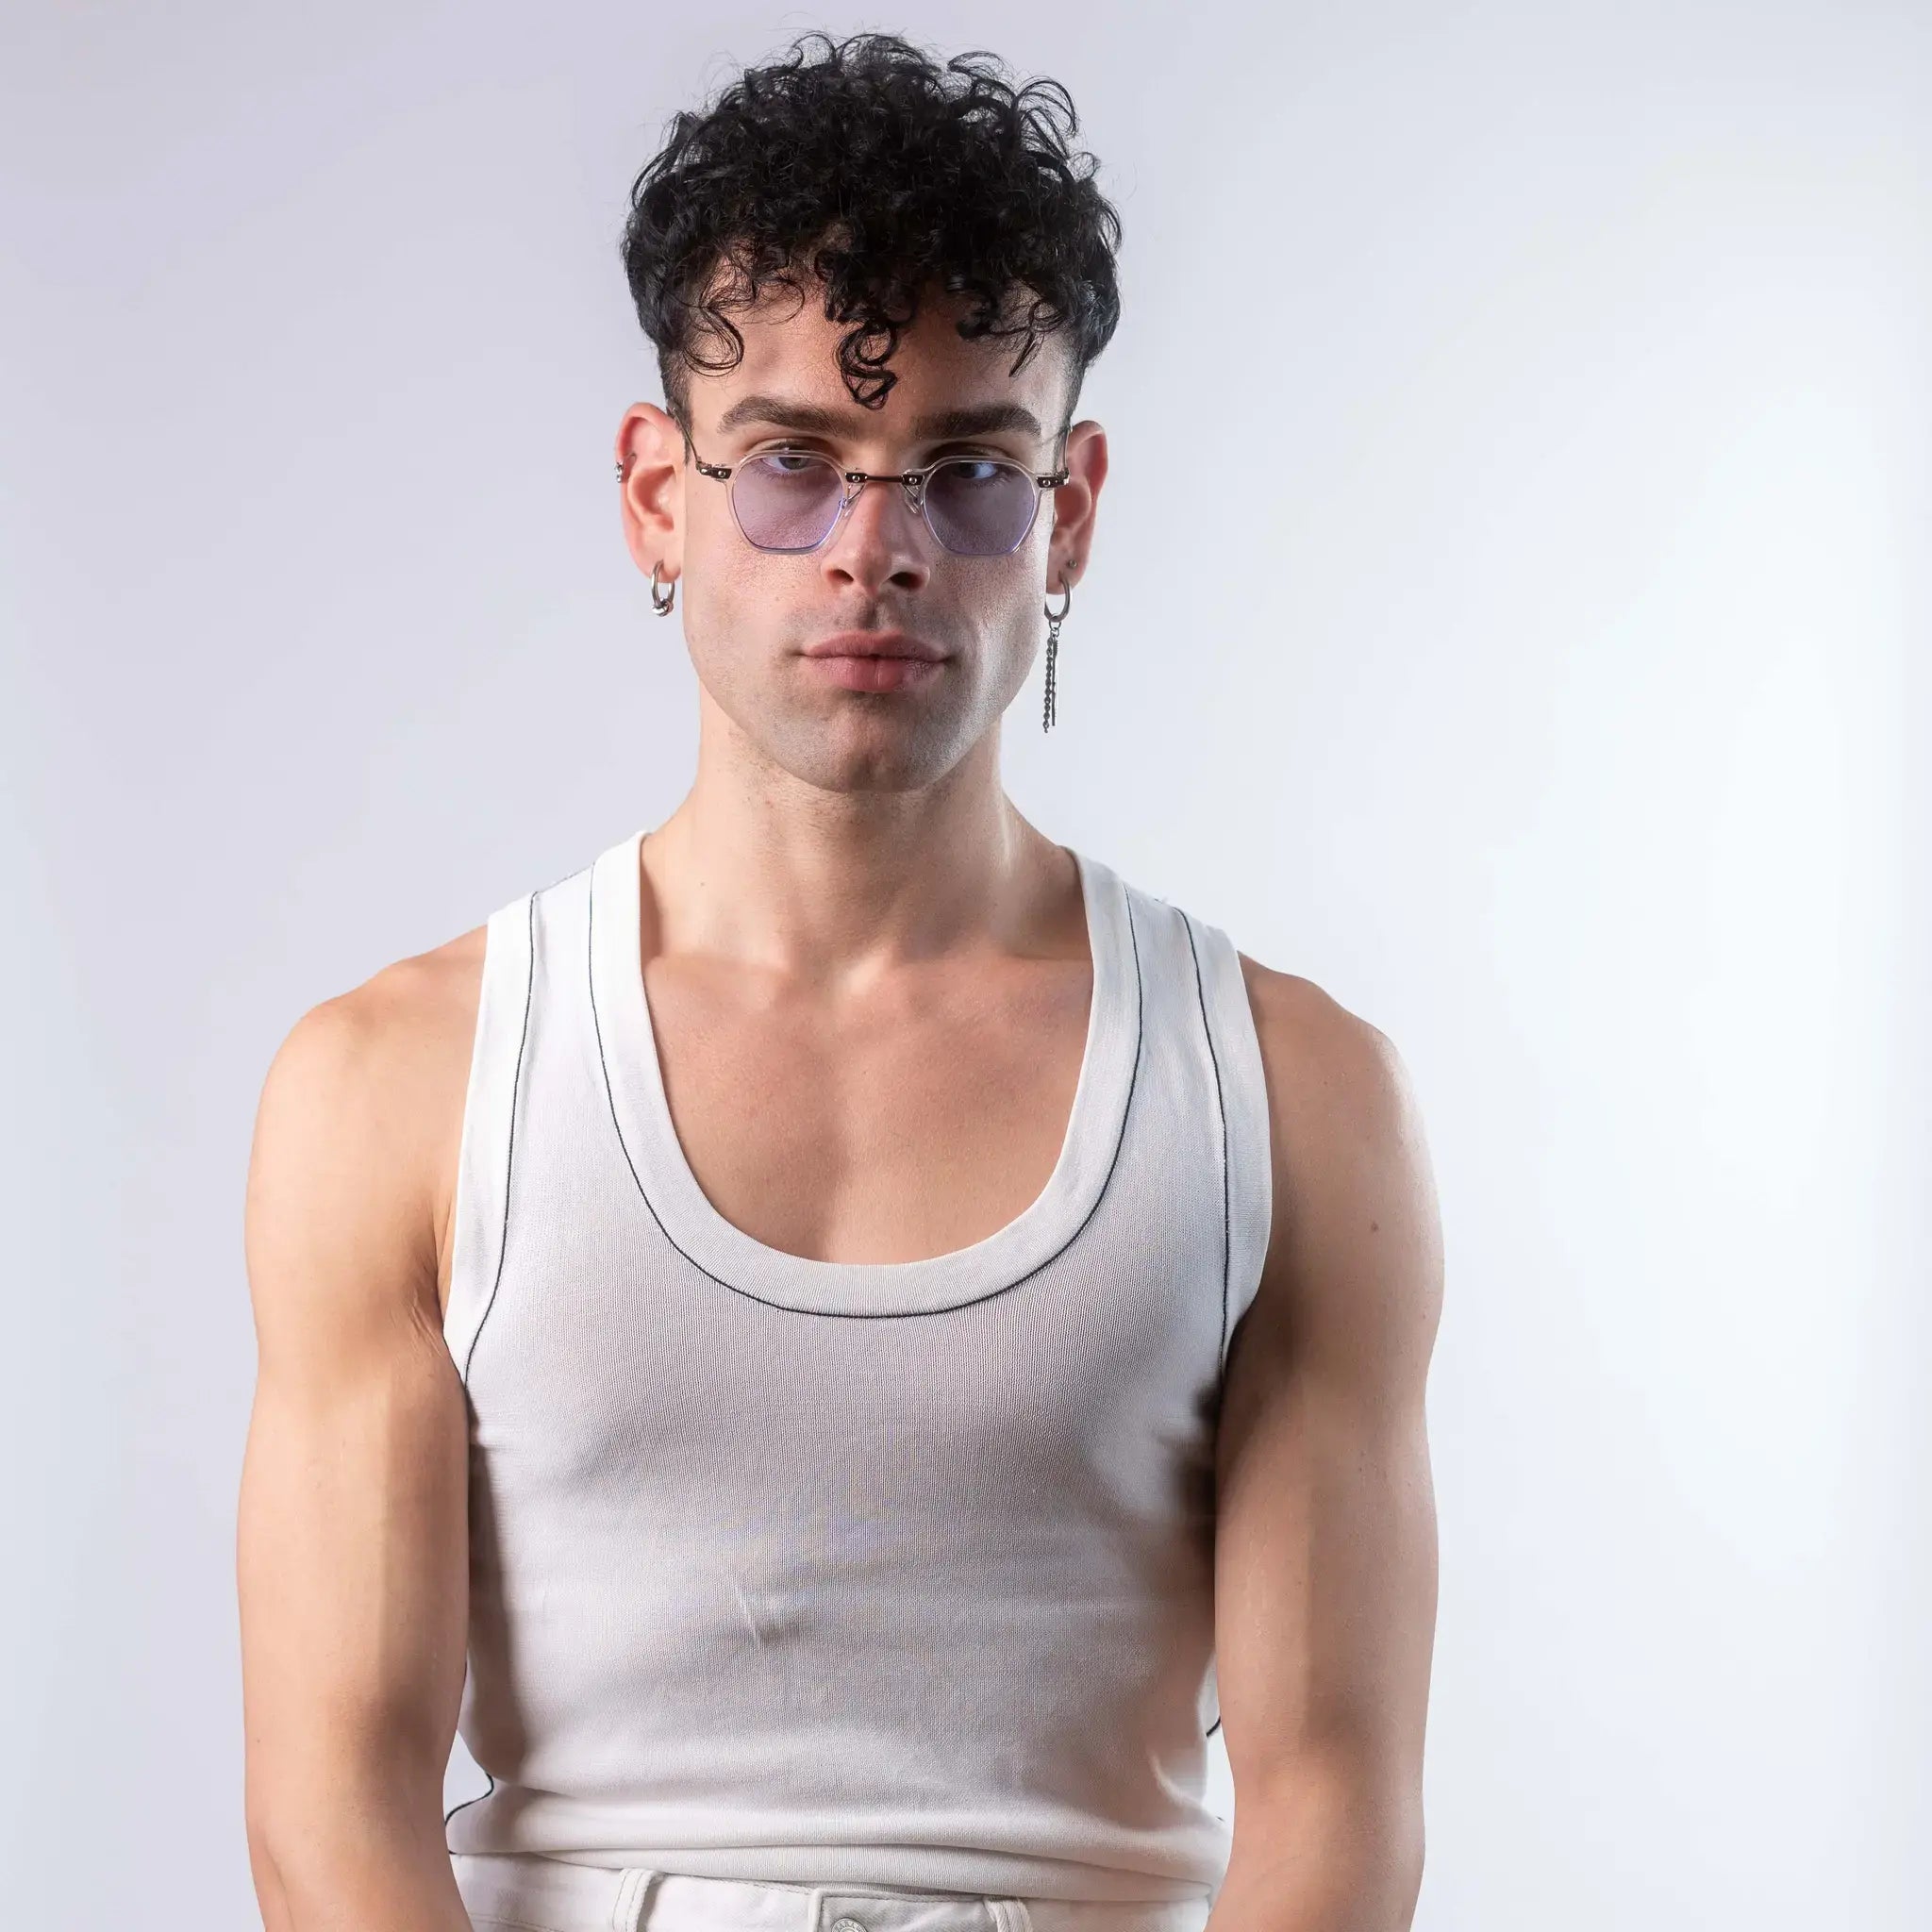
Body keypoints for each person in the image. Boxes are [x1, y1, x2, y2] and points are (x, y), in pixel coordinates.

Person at [236, 29, 1442, 1932]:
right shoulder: (400, 1081)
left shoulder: (1284, 1098)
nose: (877, 552)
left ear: (1072, 509)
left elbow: (1334, 1811)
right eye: (793, 465)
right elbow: (331, 1811)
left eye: (967, 473)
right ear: (660, 491)